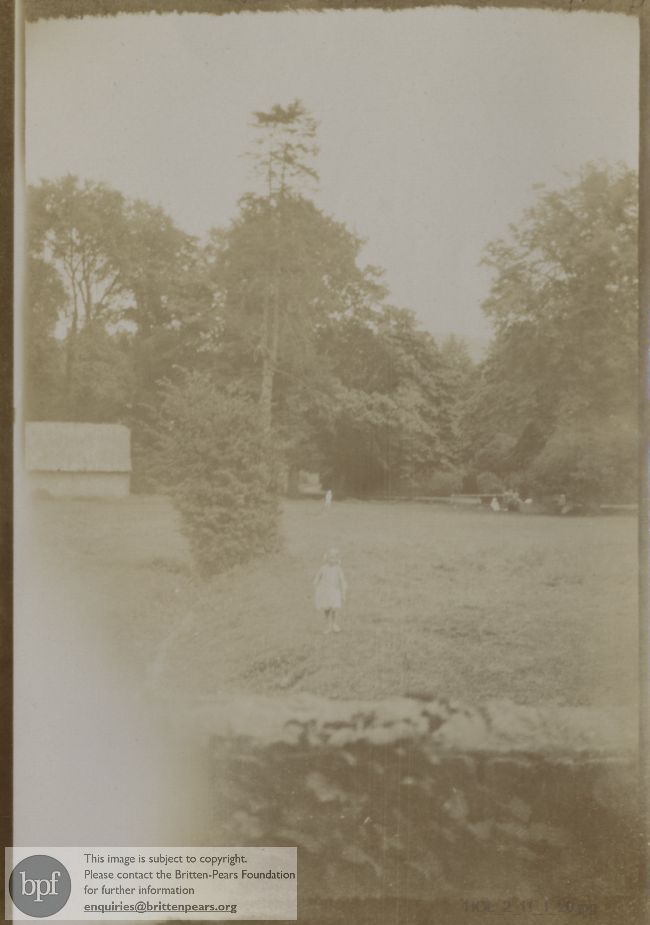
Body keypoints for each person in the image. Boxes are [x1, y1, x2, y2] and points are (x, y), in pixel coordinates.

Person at [314, 548, 347, 634]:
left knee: (334, 608)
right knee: (327, 608)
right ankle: (327, 625)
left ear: (336, 559)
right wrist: (316, 582)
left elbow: (342, 580)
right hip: (325, 591)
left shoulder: (338, 569)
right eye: (330, 558)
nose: (331, 560)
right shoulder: (323, 568)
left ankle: (334, 624)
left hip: (335, 591)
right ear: (326, 558)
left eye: (333, 558)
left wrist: (343, 593)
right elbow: (318, 576)